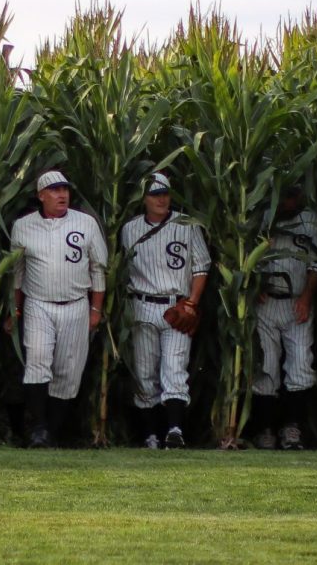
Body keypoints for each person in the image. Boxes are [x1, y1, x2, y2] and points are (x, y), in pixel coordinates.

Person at [9, 171, 107, 447]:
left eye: (64, 188)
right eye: (54, 190)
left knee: (68, 372)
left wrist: (96, 310)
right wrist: (14, 310)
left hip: (76, 305)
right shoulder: (23, 226)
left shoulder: (85, 223)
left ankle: (54, 430)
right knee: (37, 362)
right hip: (38, 304)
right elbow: (17, 273)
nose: (61, 194)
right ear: (41, 195)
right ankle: (38, 428)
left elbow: (98, 268)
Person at [120, 173, 210, 449]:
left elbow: (201, 266)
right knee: (145, 373)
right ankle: (150, 435)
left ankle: (174, 430)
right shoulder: (130, 229)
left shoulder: (187, 225)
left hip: (176, 305)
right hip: (142, 303)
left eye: (165, 193)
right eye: (154, 194)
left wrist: (192, 303)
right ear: (143, 198)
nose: (161, 199)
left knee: (174, 369)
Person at [253, 184, 317, 450]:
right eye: (285, 197)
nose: (289, 202)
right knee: (266, 367)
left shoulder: (309, 220)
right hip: (266, 303)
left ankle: (292, 428)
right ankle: (265, 430)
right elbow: (244, 255)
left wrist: (307, 296)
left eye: (294, 196)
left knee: (301, 366)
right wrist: (254, 284)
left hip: (297, 301)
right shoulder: (260, 216)